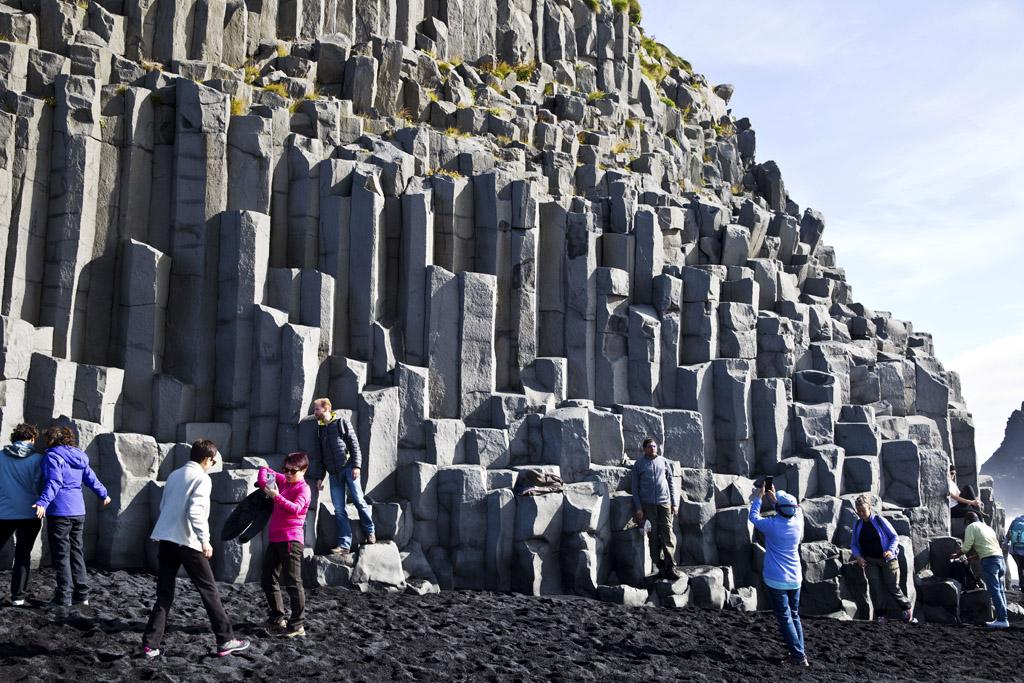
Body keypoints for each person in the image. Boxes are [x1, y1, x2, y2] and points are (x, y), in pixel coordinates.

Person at [143, 440, 250, 658]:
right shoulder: (202, 478)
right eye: (213, 461)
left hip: (166, 538)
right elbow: (195, 512)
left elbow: (164, 506)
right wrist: (205, 540)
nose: (212, 465)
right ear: (207, 459)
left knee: (164, 593)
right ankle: (225, 639)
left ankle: (150, 644)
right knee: (208, 590)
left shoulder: (174, 475)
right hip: (188, 541)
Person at [32, 425, 110, 608]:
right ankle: (82, 595)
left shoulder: (52, 456)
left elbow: (54, 481)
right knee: (77, 552)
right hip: (78, 511)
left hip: (60, 511)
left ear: (52, 439)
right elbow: (91, 478)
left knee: (61, 555)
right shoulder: (79, 456)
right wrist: (103, 494)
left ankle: (64, 597)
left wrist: (43, 502)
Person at [749, 482, 808, 667]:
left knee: (784, 617)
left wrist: (759, 497)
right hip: (795, 578)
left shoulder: (772, 525)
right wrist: (776, 501)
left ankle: (798, 656)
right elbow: (788, 511)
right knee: (794, 615)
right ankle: (799, 652)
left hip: (776, 579)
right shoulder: (798, 522)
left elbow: (753, 516)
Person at [257, 452, 311, 638]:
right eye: (285, 469)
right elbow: (264, 475)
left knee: (293, 583)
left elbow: (296, 509)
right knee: (267, 578)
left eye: (292, 471)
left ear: (303, 471)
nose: (287, 473)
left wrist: (276, 496)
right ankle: (277, 617)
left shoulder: (303, 489)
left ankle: (297, 625)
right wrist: (265, 473)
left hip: (291, 540)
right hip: (276, 538)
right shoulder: (285, 482)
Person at [313, 398, 375, 553]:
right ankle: (344, 545)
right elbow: (320, 457)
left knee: (359, 500)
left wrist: (356, 466)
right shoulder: (320, 430)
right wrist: (320, 477)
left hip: (348, 469)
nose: (315, 413)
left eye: (317, 409)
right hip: (334, 475)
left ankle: (370, 532)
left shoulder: (342, 423)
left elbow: (355, 446)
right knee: (339, 509)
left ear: (326, 408)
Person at [849, 494, 914, 623]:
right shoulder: (857, 525)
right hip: (870, 561)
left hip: (888, 560)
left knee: (892, 586)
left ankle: (906, 608)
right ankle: (881, 615)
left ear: (869, 508)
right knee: (876, 588)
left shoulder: (879, 520)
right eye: (858, 511)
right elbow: (854, 544)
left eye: (863, 510)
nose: (861, 514)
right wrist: (858, 557)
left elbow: (894, 537)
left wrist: (890, 550)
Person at [0, 424, 44, 606]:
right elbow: (42, 485)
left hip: (4, 512)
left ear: (14, 439)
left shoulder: (0, 457)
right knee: (23, 554)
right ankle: (18, 597)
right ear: (32, 439)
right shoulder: (38, 459)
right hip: (30, 513)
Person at [630, 438, 678, 579]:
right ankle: (660, 567)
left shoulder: (664, 462)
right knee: (653, 537)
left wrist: (674, 503)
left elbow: (671, 482)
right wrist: (639, 508)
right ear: (644, 448)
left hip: (665, 504)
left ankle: (671, 567)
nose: (653, 448)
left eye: (654, 446)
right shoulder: (639, 464)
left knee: (667, 535)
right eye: (650, 446)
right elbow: (634, 488)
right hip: (648, 506)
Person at [951, 511, 1008, 628]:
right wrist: (974, 557)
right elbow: (990, 546)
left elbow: (966, 547)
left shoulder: (971, 527)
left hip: (990, 562)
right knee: (1000, 590)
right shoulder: (988, 528)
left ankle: (1002, 620)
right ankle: (1003, 618)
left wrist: (956, 555)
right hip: (1000, 559)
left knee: (994, 590)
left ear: (967, 521)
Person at [1003, 513, 1024, 592]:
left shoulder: (1015, 520)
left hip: (1015, 550)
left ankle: (1022, 585)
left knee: (1020, 567)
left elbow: (1008, 535)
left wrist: (1005, 544)